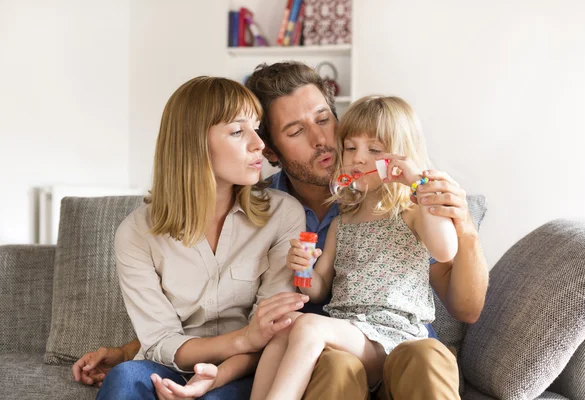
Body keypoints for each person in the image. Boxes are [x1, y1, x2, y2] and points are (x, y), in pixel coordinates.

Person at [74, 62, 489, 399]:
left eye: (324, 120)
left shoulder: (398, 201)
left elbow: (464, 305)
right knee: (329, 365)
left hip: (393, 344)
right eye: (295, 131)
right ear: (270, 150)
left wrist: (462, 225)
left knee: (420, 359)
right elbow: (264, 310)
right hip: (312, 357)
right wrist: (132, 349)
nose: (322, 140)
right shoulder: (280, 211)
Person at [87, 75, 311, 400]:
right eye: (238, 131)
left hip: (242, 370)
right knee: (125, 379)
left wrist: (220, 371)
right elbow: (160, 341)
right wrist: (244, 338)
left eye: (256, 128)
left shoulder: (283, 215)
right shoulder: (135, 234)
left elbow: (273, 332)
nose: (259, 143)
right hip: (172, 365)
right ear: (193, 143)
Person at [251, 94, 460, 400]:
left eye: (374, 149)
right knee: (286, 326)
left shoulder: (412, 214)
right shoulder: (342, 221)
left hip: (395, 338)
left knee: (309, 327)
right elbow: (319, 290)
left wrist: (417, 183)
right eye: (350, 147)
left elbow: (445, 251)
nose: (358, 158)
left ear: (401, 159)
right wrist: (304, 269)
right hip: (351, 337)